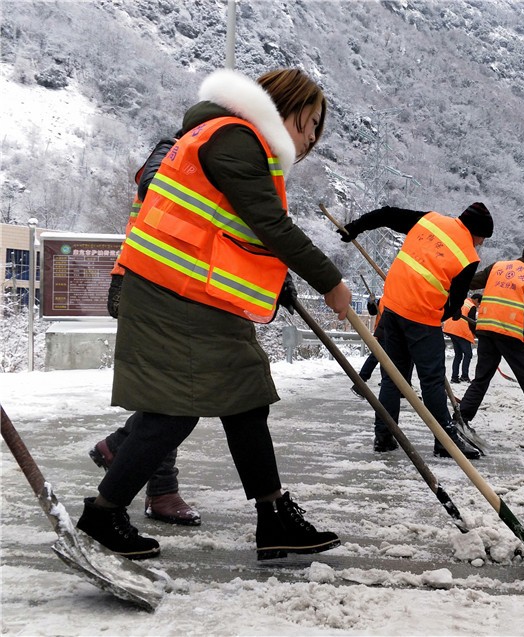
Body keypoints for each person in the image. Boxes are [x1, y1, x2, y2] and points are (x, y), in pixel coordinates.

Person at [75, 67, 352, 561]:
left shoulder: (232, 139)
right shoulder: (235, 139)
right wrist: (330, 281)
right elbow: (270, 225)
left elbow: (231, 231)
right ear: (286, 107)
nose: (313, 137)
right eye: (311, 123)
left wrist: (278, 281)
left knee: (246, 396)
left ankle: (273, 517)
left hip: (197, 293)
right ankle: (102, 514)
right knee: (173, 411)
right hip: (169, 291)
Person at [92, 136, 202, 527]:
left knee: (173, 391)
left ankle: (119, 446)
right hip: (141, 281)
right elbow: (153, 185)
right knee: (172, 393)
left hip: (173, 284)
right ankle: (160, 489)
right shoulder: (172, 150)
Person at [338, 202, 494, 459]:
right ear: (477, 233)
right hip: (422, 319)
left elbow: (387, 214)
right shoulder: (469, 256)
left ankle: (384, 437)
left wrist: (356, 227)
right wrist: (447, 312)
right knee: (432, 381)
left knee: (392, 378)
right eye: (482, 239)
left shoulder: (430, 220)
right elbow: (455, 300)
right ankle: (445, 442)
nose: (481, 244)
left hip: (392, 309)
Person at [457, 241, 524, 442]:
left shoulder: (498, 267)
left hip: (486, 330)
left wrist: (452, 295)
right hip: (510, 335)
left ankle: (461, 417)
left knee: (481, 378)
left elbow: (469, 282)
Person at [443, 293, 481, 383]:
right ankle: (464, 376)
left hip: (451, 329)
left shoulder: (463, 301)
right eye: (479, 303)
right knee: (468, 354)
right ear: (476, 300)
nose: (478, 305)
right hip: (461, 332)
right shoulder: (472, 306)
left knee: (458, 355)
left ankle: (454, 377)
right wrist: (477, 333)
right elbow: (471, 323)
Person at [351, 295, 381, 398]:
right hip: (386, 333)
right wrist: (371, 303)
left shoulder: (388, 299)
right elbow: (373, 311)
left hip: (385, 333)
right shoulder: (385, 300)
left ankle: (360, 382)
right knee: (377, 357)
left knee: (379, 358)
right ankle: (360, 382)